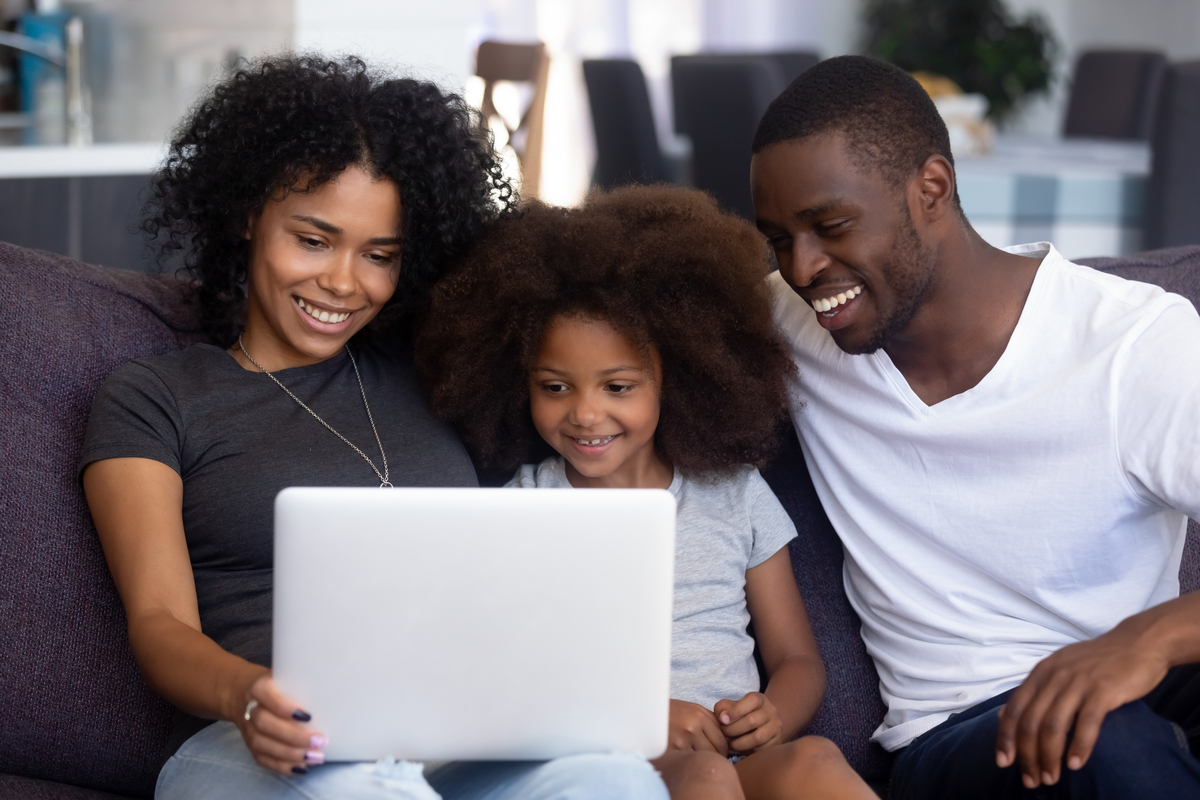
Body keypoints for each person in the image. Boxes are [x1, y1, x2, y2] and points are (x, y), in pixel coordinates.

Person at [80, 55, 667, 800]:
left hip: (451, 740)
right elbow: (159, 624)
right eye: (314, 239)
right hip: (256, 748)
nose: (344, 282)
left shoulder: (434, 372)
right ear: (248, 214)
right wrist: (250, 696)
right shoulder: (157, 397)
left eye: (379, 256)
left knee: (614, 778)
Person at [749, 54, 1200, 799]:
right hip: (958, 732)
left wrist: (1143, 640)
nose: (801, 268)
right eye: (777, 240)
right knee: (1111, 750)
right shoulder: (794, 326)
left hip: (1135, 687)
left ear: (932, 188)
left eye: (830, 226)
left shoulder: (1130, 345)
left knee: (1124, 731)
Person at [417, 185, 879, 800]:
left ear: (678, 375)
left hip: (735, 756)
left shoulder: (735, 494)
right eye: (555, 387)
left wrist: (773, 715)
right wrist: (641, 720)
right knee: (706, 777)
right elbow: (506, 680)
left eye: (618, 386)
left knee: (815, 759)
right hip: (608, 765)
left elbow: (797, 660)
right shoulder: (521, 510)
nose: (585, 413)